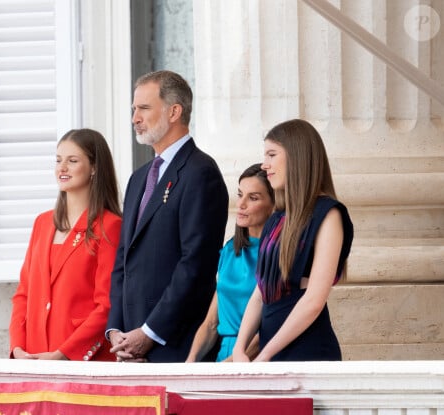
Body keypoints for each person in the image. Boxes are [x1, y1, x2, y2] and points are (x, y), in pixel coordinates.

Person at [107, 70, 229, 363]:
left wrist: (149, 333)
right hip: (129, 348)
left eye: (144, 108)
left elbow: (196, 265)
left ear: (174, 111)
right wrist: (117, 332)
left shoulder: (201, 173)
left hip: (175, 345)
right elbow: (124, 260)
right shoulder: (138, 178)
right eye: (134, 109)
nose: (135, 118)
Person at [232, 119, 354, 362]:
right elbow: (260, 292)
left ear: (297, 156)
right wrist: (239, 349)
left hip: (307, 352)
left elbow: (314, 300)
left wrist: (264, 355)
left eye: (272, 154)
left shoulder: (328, 214)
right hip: (270, 355)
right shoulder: (277, 217)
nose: (265, 165)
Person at [9, 128, 122, 361]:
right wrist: (17, 348)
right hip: (34, 357)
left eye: (72, 161)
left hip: (80, 361)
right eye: (58, 160)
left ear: (94, 168)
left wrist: (64, 354)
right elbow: (23, 295)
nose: (62, 168)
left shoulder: (109, 226)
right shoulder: (42, 223)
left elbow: (107, 305)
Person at [186, 163, 275, 362]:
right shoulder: (229, 250)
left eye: (253, 198)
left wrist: (230, 365)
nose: (241, 204)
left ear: (273, 206)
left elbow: (272, 327)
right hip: (224, 357)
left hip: (256, 359)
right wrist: (190, 364)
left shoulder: (278, 254)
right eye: (240, 194)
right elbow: (210, 323)